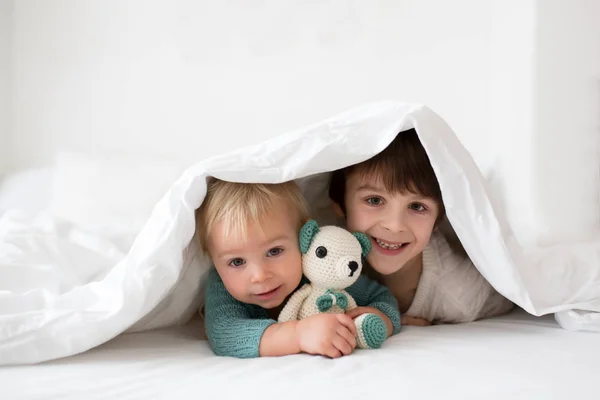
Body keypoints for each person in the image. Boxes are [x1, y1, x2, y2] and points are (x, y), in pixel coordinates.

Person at [196, 178, 401, 358]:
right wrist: (300, 335)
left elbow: (381, 296)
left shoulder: (319, 272)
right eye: (237, 262)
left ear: (304, 239)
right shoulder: (221, 285)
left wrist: (379, 319)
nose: (259, 276)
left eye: (274, 251)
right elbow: (225, 333)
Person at [328, 128, 514, 326]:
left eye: (417, 206)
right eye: (374, 200)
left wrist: (412, 320)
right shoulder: (328, 243)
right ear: (339, 206)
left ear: (437, 220)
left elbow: (509, 294)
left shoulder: (457, 297)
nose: (394, 225)